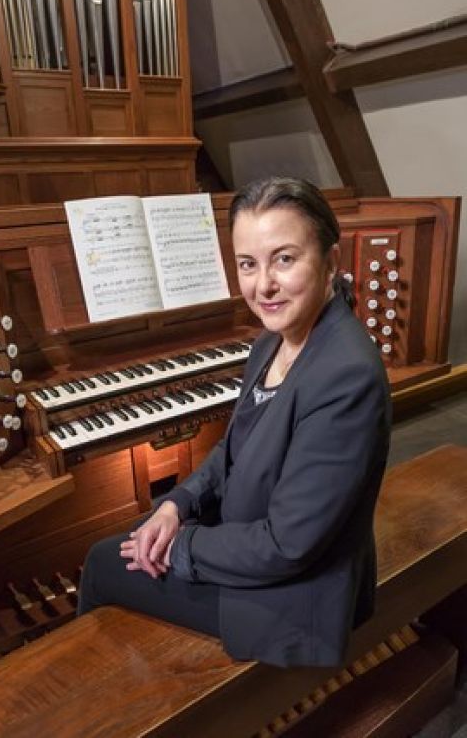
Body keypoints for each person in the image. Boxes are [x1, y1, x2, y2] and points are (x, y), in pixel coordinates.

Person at [78, 176, 391, 668]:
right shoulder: (272, 342)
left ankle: (122, 698)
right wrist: (177, 506)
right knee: (141, 532)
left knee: (101, 563)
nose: (262, 284)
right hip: (253, 543)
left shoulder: (346, 375)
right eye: (248, 264)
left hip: (294, 595)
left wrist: (184, 545)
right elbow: (231, 451)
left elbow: (288, 546)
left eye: (284, 259)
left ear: (332, 258)